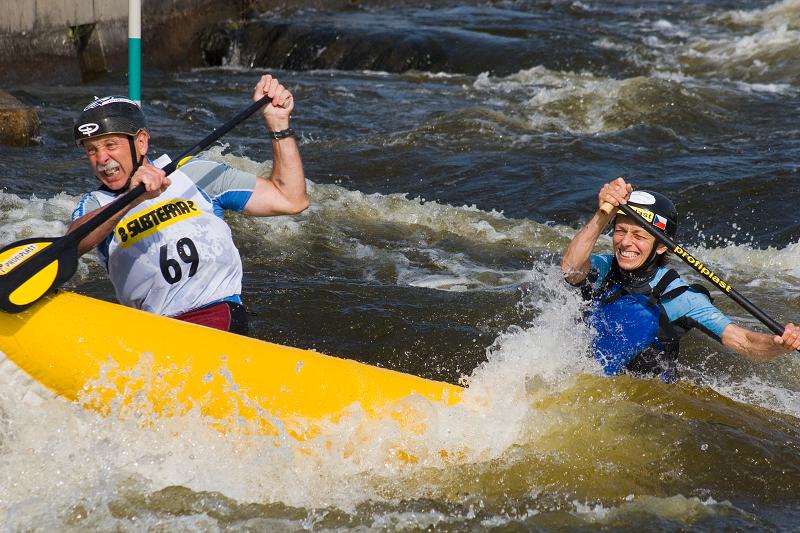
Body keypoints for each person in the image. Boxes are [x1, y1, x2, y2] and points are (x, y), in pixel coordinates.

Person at [68, 74, 308, 335]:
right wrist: (133, 199)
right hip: (154, 331)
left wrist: (278, 123)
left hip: (216, 315)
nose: (102, 158)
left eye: (110, 145)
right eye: (91, 150)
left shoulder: (195, 173)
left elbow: (290, 199)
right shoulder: (94, 203)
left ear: (141, 142)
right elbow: (71, 247)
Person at [561, 177, 800, 382]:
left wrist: (779, 344)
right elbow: (571, 269)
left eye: (639, 236)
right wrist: (604, 213)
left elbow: (745, 342)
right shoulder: (603, 268)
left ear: (663, 246)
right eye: (621, 231)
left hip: (643, 403)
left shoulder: (682, 298)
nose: (625, 242)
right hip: (580, 377)